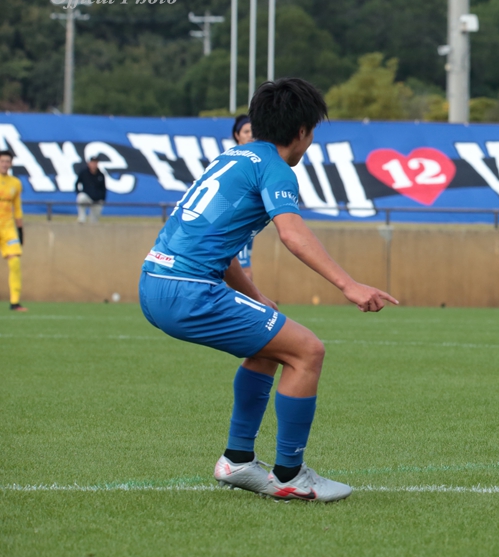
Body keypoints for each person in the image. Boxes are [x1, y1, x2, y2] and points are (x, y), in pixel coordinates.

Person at [139, 78, 397, 502]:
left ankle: (238, 459)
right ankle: (290, 474)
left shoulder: (232, 158)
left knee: (270, 347)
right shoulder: (275, 168)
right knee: (308, 351)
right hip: (188, 291)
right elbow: (292, 234)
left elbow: (217, 246)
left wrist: (256, 297)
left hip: (155, 281)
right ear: (302, 131)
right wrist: (349, 285)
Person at [231, 115, 257, 281]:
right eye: (246, 131)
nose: (250, 135)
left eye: (253, 131)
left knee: (241, 272)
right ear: (237, 135)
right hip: (235, 221)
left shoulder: (255, 160)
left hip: (247, 223)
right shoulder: (235, 159)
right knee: (244, 272)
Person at [0, 149, 26, 312]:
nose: (4, 164)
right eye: (2, 161)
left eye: (7, 161)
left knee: (15, 262)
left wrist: (20, 230)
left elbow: (17, 208)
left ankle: (14, 302)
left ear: (11, 164)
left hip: (8, 227)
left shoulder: (15, 183)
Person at [75, 154, 106, 223]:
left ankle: (93, 225)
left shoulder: (101, 175)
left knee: (94, 221)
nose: (94, 164)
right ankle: (82, 219)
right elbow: (77, 183)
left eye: (96, 162)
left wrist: (102, 198)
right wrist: (78, 192)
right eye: (93, 162)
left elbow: (103, 188)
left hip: (97, 199)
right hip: (87, 196)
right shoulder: (84, 173)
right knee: (81, 197)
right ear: (89, 163)